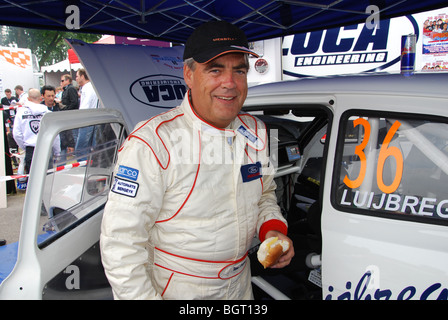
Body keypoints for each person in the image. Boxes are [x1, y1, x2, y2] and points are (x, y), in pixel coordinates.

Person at [100, 20, 294, 300]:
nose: (230, 83)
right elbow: (120, 245)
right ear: (188, 75)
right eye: (215, 70)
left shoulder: (256, 130)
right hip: (177, 289)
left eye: (239, 70)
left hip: (240, 284)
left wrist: (273, 230)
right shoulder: (151, 143)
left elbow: (265, 194)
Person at [13, 88, 60, 174]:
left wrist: (24, 146)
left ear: (28, 99)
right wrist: (57, 152)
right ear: (41, 98)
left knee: (32, 178)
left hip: (31, 148)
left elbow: (16, 134)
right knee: (47, 178)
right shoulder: (47, 113)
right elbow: (55, 135)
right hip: (46, 148)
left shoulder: (21, 112)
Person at [41, 85, 75, 160]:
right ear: (43, 96)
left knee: (61, 168)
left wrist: (71, 144)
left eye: (52, 95)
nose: (51, 98)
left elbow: (67, 127)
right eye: (48, 96)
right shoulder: (39, 110)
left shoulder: (61, 109)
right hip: (45, 144)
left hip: (61, 144)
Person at [75, 68, 99, 157]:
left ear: (82, 76)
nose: (76, 79)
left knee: (81, 149)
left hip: (86, 120)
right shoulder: (91, 87)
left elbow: (86, 105)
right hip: (94, 119)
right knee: (91, 147)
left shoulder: (87, 88)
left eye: (77, 76)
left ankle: (83, 167)